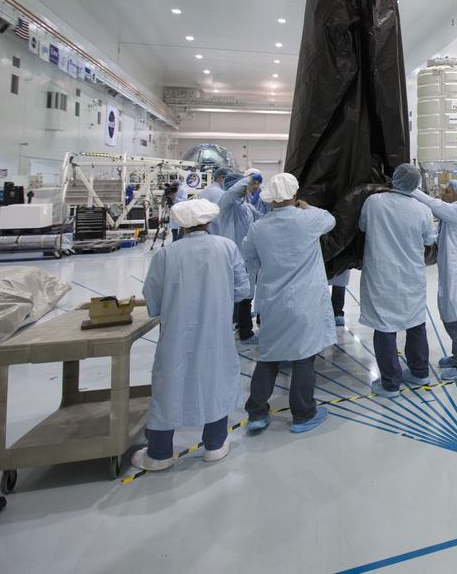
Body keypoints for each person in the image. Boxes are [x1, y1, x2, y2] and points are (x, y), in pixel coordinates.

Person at [134, 198, 251, 471]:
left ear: (180, 223)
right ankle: (215, 444)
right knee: (216, 380)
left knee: (170, 385)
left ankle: (159, 453)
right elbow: (242, 290)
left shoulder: (166, 255)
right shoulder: (226, 247)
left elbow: (152, 299)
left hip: (177, 333)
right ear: (209, 220)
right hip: (217, 331)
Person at [240, 172, 335, 434]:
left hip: (274, 301)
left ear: (269, 198)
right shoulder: (308, 219)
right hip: (306, 301)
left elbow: (247, 253)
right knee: (304, 357)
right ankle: (304, 414)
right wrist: (306, 206)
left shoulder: (259, 227)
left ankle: (257, 413)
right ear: (294, 195)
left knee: (269, 356)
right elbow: (331, 220)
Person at [358, 164, 437, 397]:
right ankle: (420, 371)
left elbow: (362, 226)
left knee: (384, 327)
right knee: (415, 322)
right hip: (411, 274)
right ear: (416, 184)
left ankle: (391, 384)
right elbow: (429, 240)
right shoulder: (422, 209)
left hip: (382, 275)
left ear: (394, 179)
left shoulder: (374, 202)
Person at [412, 180, 457, 380]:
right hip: (450, 269)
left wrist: (410, 190)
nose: (443, 193)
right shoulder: (452, 211)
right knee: (448, 313)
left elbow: (433, 204)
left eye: (447, 191)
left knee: (456, 316)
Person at [217, 171, 263, 343]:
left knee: (247, 294)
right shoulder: (227, 203)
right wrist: (251, 178)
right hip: (236, 256)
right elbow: (233, 190)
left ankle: (242, 325)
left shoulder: (245, 205)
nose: (253, 188)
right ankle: (245, 331)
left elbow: (261, 219)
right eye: (251, 185)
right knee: (244, 296)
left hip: (247, 257)